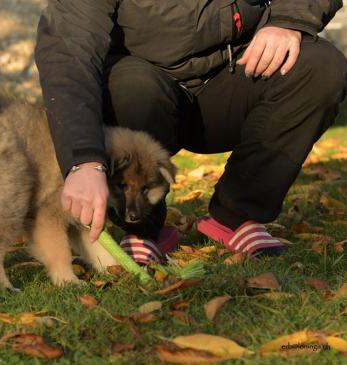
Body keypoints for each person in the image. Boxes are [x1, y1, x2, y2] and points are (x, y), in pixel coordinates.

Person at [34, 0, 346, 260]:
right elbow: (67, 51)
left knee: (320, 66)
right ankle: (143, 229)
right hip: (146, 93)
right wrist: (84, 160)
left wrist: (288, 20)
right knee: (129, 86)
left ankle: (235, 216)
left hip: (238, 73)